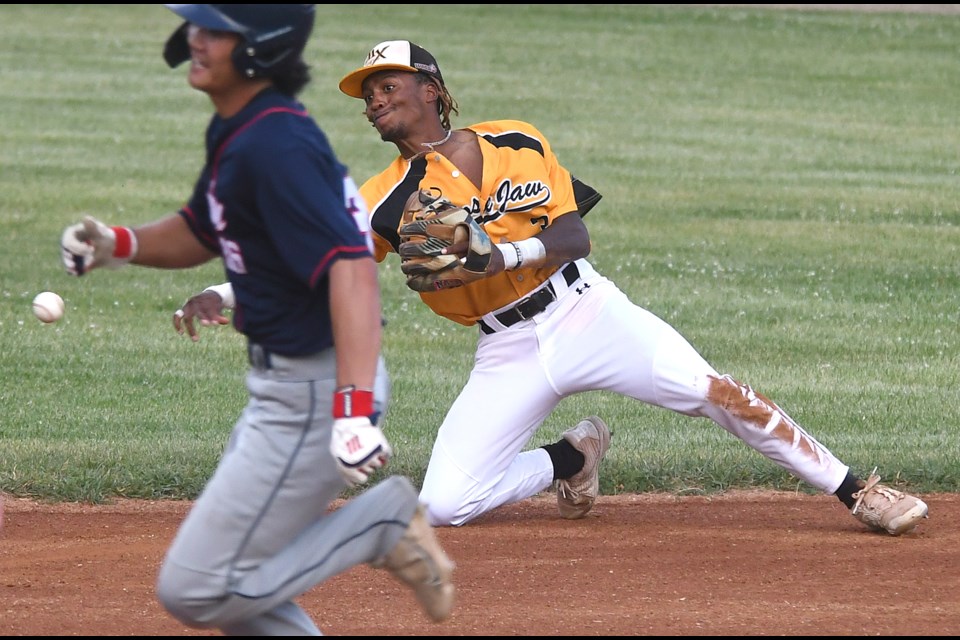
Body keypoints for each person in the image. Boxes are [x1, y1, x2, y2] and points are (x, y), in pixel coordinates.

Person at [185, 38, 929, 536]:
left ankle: (857, 490)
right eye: (366, 93)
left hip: (589, 311)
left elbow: (575, 235)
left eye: (386, 84)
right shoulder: (382, 196)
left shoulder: (518, 140)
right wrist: (225, 295)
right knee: (445, 501)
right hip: (506, 351)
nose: (373, 99)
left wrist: (498, 256)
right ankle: (570, 460)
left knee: (711, 390)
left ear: (431, 89)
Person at [58, 9, 453, 636]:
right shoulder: (244, 131)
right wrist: (119, 243)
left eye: (214, 29)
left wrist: (350, 411)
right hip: (291, 390)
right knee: (245, 590)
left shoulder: (276, 145)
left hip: (316, 395)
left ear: (260, 47)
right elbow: (201, 227)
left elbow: (352, 273)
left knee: (197, 587)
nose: (195, 38)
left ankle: (378, 525)